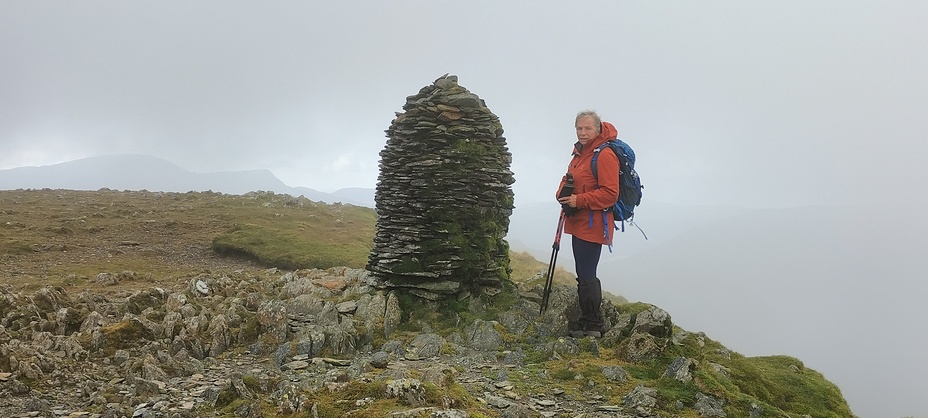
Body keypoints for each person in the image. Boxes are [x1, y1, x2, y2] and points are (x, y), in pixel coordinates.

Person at [556, 110, 620, 338]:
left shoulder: (604, 155)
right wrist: (563, 193)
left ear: (598, 128)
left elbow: (610, 194)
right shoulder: (579, 153)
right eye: (579, 128)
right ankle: (588, 321)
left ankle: (593, 325)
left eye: (587, 128)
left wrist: (578, 200)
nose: (583, 133)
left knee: (587, 273)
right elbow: (569, 179)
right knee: (583, 272)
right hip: (579, 221)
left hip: (593, 223)